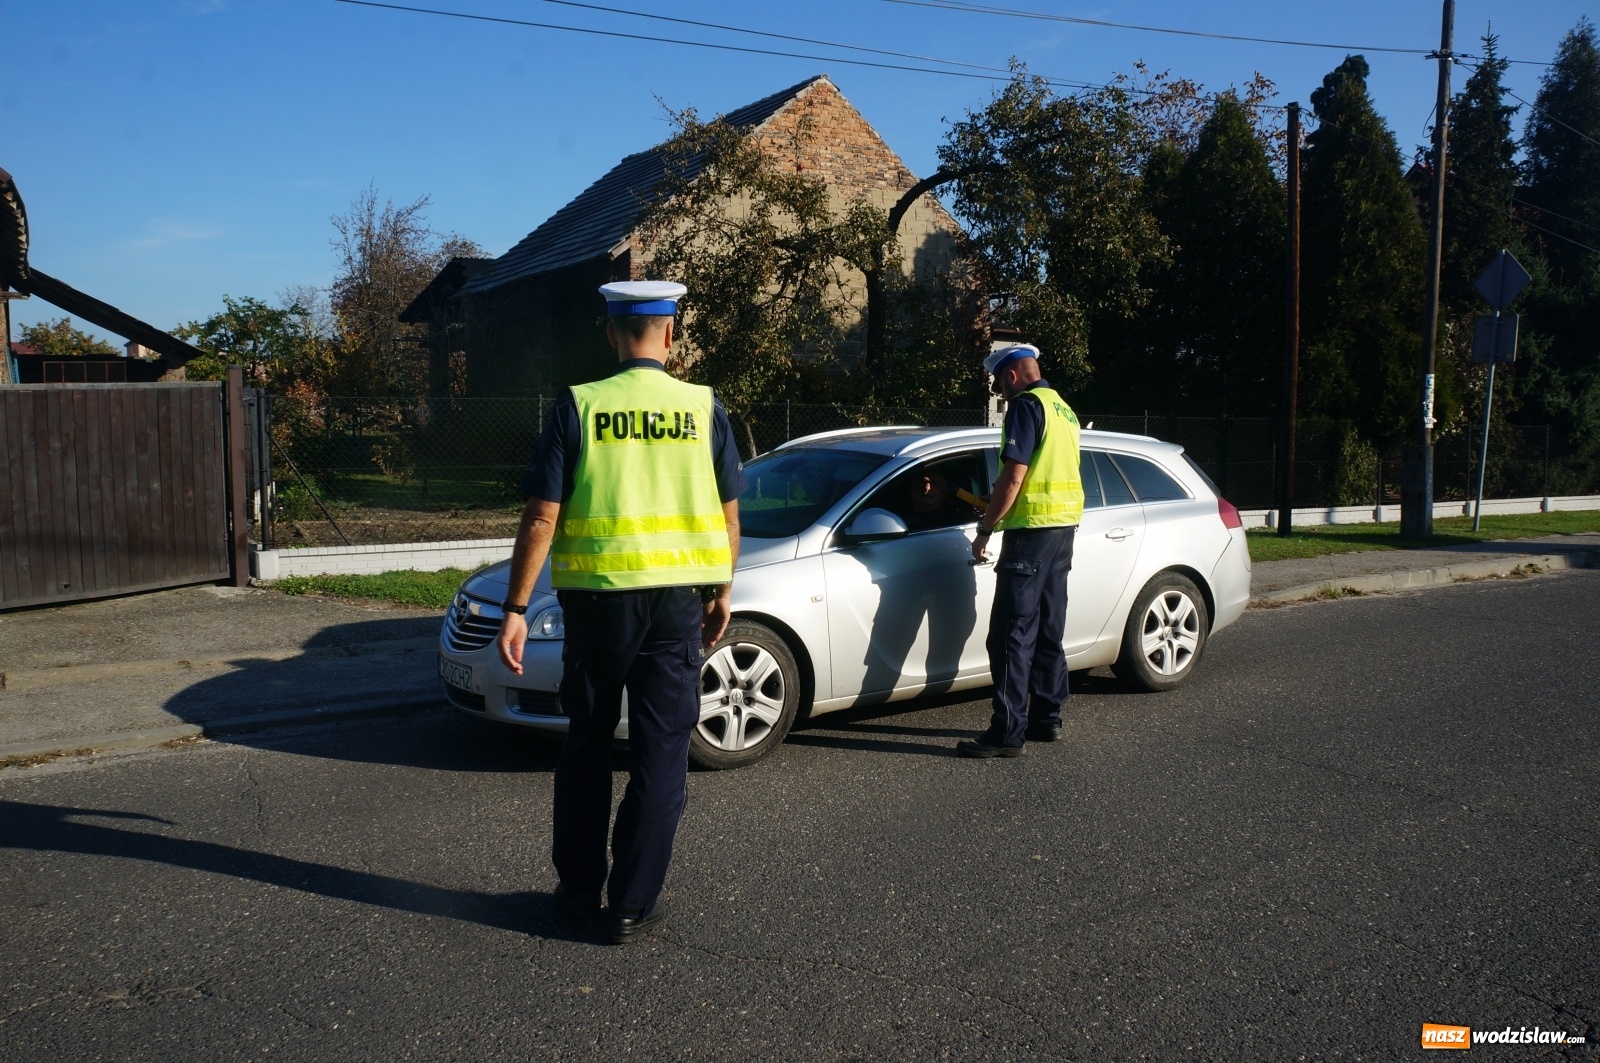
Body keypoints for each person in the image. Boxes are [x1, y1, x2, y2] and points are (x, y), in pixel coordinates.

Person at [495, 280, 745, 943]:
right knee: (662, 754)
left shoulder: (579, 406)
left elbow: (543, 512)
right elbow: (727, 510)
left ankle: (578, 888)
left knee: (587, 741)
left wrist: (516, 607)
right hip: (674, 608)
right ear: (670, 333)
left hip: (597, 605)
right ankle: (632, 903)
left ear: (610, 333)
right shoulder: (703, 407)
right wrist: (722, 589)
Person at [958, 342, 1084, 758]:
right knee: (1049, 627)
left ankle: (1008, 732)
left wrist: (985, 528)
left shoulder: (1026, 407)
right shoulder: (1063, 408)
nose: (999, 389)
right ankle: (1047, 719)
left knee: (1011, 634)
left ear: (1011, 376)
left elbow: (1013, 478)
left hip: (1029, 534)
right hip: (1063, 531)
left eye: (998, 382)